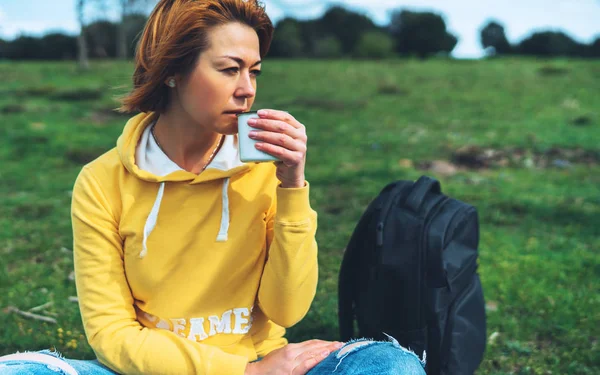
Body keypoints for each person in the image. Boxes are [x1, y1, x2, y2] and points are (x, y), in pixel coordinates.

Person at [0, 1, 426, 374]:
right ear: (171, 72)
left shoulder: (266, 170)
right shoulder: (101, 181)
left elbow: (288, 310)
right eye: (229, 69)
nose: (248, 90)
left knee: (390, 366)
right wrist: (241, 372)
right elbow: (111, 335)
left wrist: (293, 187)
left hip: (268, 365)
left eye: (254, 71)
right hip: (158, 371)